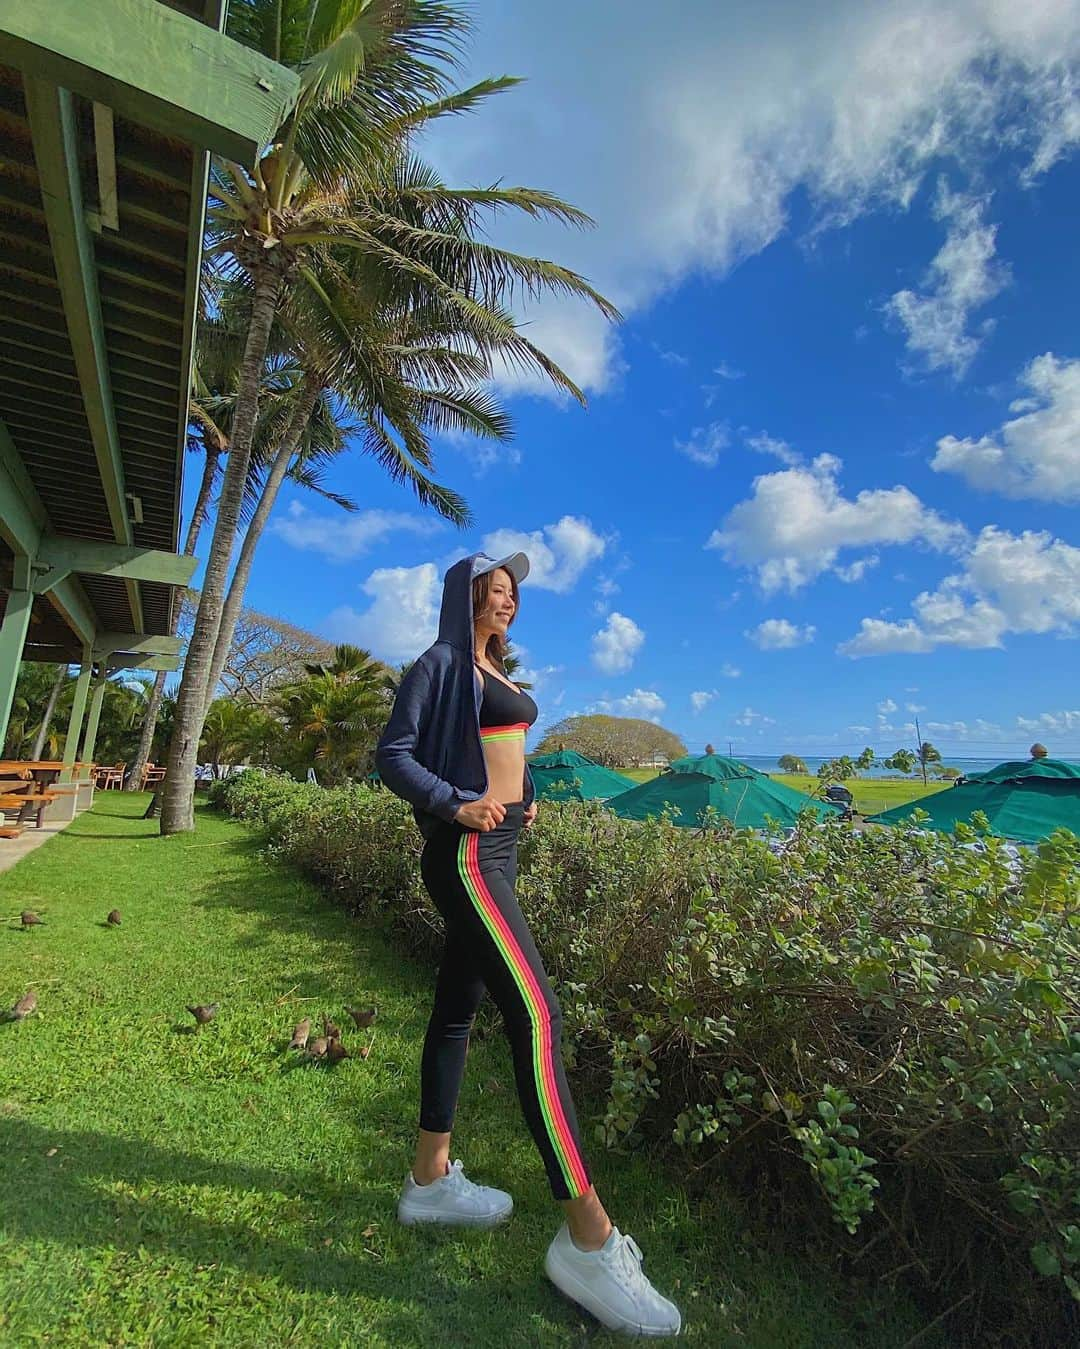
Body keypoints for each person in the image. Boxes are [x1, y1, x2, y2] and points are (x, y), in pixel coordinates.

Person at [375, 551, 681, 1338]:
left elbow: (506, 750)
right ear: (465, 595)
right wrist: (456, 804)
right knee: (537, 1017)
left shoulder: (488, 668)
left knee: (456, 1008)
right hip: (470, 853)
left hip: (501, 847)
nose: (507, 600)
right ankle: (587, 1236)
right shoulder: (442, 662)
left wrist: (529, 794)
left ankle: (429, 1176)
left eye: (513, 593)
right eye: (494, 589)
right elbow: (394, 754)